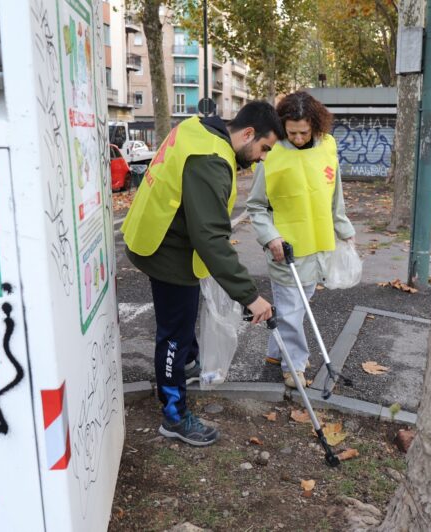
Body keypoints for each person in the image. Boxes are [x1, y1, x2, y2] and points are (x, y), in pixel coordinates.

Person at [121, 101, 284, 446]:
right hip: (165, 250)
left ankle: (187, 364)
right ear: (248, 134)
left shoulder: (198, 128)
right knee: (174, 334)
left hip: (158, 233)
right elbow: (210, 238)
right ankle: (174, 415)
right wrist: (250, 296)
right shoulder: (211, 160)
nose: (263, 157)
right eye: (264, 148)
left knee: (183, 323)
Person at [247, 91, 355, 388]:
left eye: (303, 132)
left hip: (318, 245)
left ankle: (274, 352)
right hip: (285, 250)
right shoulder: (272, 154)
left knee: (296, 305)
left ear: (316, 126)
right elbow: (256, 206)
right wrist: (271, 238)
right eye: (291, 132)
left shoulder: (327, 146)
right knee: (293, 310)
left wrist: (344, 230)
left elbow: (336, 195)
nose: (296, 138)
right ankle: (293, 366)